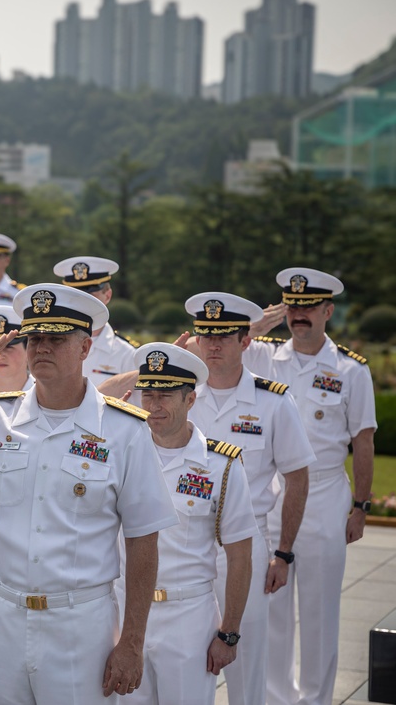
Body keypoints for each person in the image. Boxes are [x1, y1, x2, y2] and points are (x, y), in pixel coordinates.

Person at [0, 283, 179, 704]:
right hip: (3, 617)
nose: (42, 347)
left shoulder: (124, 430)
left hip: (80, 623)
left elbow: (143, 540)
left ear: (85, 348)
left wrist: (132, 641)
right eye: (35, 338)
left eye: (56, 339)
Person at [243, 268, 377, 705]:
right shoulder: (262, 356)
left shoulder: (350, 370)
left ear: (328, 311)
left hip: (322, 493)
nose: (299, 316)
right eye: (293, 306)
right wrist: (256, 326)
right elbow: (208, 350)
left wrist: (360, 505)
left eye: (309, 308)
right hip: (272, 492)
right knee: (271, 606)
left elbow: (363, 439)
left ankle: (316, 699)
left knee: (319, 609)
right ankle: (277, 698)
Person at [182, 291, 314, 705]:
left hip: (246, 546)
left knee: (246, 661)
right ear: (196, 341)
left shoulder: (273, 401)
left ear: (246, 341)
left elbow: (297, 476)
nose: (214, 345)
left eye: (225, 336)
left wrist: (284, 552)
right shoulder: (179, 398)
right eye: (206, 336)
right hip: (183, 544)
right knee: (183, 660)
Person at [122, 343, 257, 705]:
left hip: (187, 618)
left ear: (190, 400)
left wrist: (229, 633)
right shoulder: (121, 454)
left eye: (165, 395)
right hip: (124, 614)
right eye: (147, 394)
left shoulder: (220, 466)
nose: (153, 405)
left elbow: (241, 554)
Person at [54, 256, 138, 387]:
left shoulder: (127, 355)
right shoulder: (50, 345)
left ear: (108, 296)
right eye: (75, 296)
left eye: (89, 296)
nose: (81, 303)